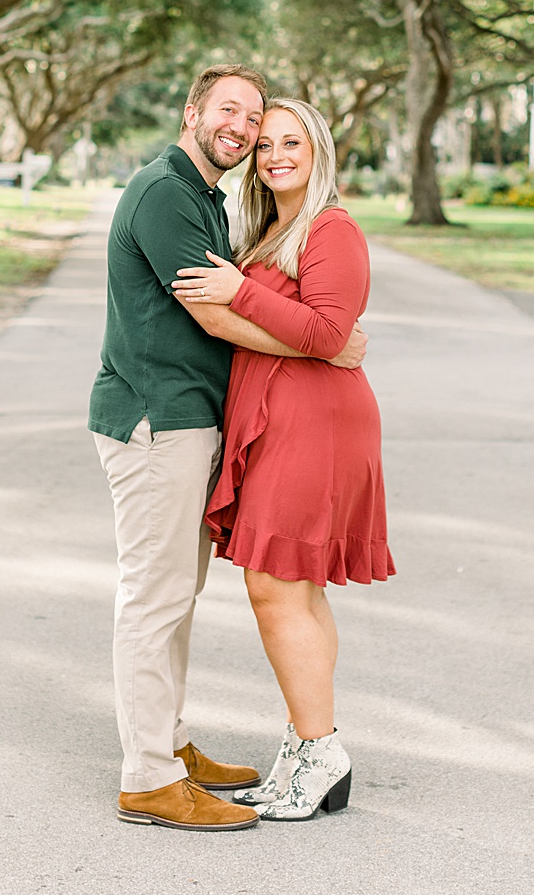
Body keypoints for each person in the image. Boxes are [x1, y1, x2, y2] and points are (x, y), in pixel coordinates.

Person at [90, 65, 366, 832]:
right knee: (155, 597)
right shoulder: (164, 192)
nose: (245, 131)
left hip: (192, 422)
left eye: (261, 121)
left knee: (175, 594)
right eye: (234, 112)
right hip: (157, 420)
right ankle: (148, 775)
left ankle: (168, 746)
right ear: (193, 113)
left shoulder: (212, 199)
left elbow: (299, 311)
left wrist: (322, 340)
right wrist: (325, 349)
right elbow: (212, 315)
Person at [173, 97, 392, 822]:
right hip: (283, 421)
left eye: (289, 142)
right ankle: (308, 750)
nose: (273, 156)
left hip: (317, 425)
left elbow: (329, 333)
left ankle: (321, 748)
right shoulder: (271, 229)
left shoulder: (333, 230)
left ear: (318, 149)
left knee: (276, 586)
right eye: (265, 145)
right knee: (298, 589)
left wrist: (240, 291)